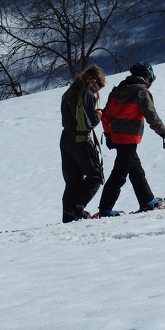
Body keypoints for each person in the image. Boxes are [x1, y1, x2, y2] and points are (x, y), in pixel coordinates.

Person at [98, 62, 165, 217]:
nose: (150, 83)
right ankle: (105, 209)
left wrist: (108, 135)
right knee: (119, 174)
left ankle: (147, 201)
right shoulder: (141, 91)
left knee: (136, 170)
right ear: (145, 78)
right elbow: (151, 116)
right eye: (150, 80)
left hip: (118, 138)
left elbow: (105, 115)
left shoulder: (117, 91)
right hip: (129, 138)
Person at [60, 65, 106, 223]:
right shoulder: (86, 93)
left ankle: (68, 216)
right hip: (80, 139)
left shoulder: (70, 92)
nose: (98, 90)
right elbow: (88, 123)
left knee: (73, 180)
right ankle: (76, 208)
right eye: (100, 86)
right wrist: (99, 115)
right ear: (95, 81)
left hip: (66, 138)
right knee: (95, 176)